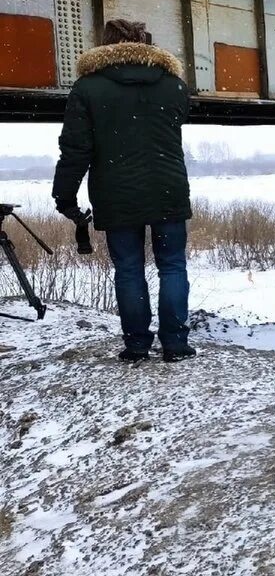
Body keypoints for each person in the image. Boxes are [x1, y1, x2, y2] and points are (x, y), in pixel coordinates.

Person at [52, 19, 195, 363]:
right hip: (168, 189)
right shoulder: (173, 86)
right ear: (146, 42)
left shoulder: (87, 88)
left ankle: (136, 345)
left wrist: (65, 196)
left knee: (129, 269)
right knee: (173, 266)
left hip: (116, 194)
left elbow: (75, 149)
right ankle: (175, 344)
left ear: (105, 45)